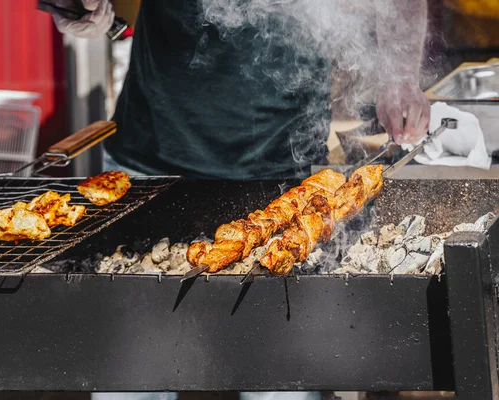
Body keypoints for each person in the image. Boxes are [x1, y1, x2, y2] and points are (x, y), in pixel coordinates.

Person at [47, 0, 430, 398]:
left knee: (280, 383)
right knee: (131, 377)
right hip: (152, 159)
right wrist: (82, 7)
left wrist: (400, 77)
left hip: (283, 169)